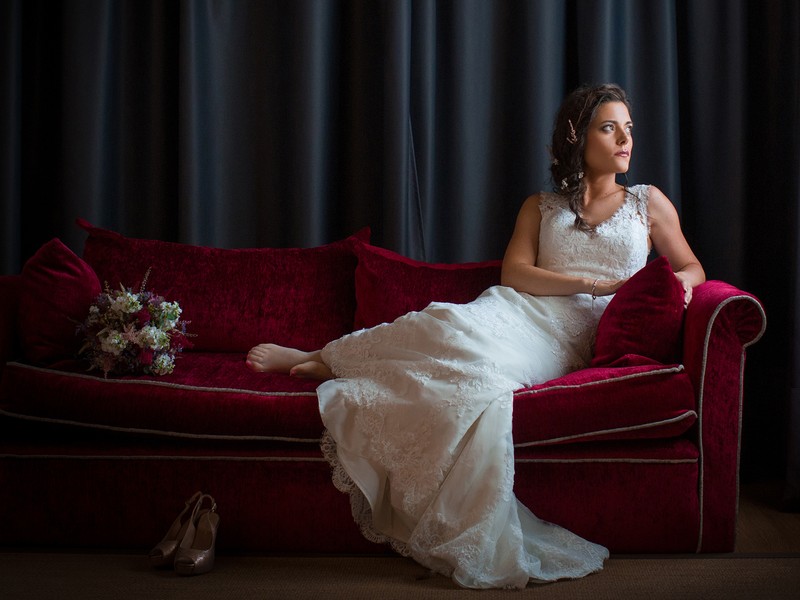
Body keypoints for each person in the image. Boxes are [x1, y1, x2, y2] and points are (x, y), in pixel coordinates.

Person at [246, 83, 705, 589]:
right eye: (609, 128)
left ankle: (342, 367)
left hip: (565, 339)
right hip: (518, 310)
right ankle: (327, 355)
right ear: (578, 135)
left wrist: (677, 288)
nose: (625, 140)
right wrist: (595, 285)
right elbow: (515, 274)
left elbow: (691, 267)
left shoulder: (646, 203)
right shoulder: (541, 206)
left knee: (475, 373)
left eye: (628, 129)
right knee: (442, 323)